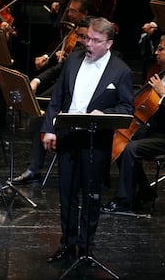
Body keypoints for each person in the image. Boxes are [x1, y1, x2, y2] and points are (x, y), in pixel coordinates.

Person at [41, 17, 134, 262]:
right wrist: (50, 128)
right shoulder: (73, 59)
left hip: (96, 140)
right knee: (66, 193)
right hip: (69, 134)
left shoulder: (121, 70)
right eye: (87, 38)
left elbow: (126, 108)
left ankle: (86, 247)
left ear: (109, 44)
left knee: (91, 195)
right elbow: (58, 96)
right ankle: (67, 244)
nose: (88, 44)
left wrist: (105, 113)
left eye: (95, 40)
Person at [12, 17, 91, 185]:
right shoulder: (77, 54)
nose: (79, 41)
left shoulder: (110, 60)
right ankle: (33, 169)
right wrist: (37, 80)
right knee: (40, 119)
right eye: (79, 36)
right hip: (67, 102)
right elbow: (58, 70)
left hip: (87, 112)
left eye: (83, 37)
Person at [102, 35, 165, 213]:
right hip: (154, 130)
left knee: (130, 149)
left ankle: (123, 202)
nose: (156, 52)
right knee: (120, 142)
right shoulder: (159, 72)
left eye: (161, 49)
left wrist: (163, 95)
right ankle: (145, 190)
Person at [35, 0, 90, 71]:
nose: (69, 14)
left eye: (73, 11)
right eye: (69, 10)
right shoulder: (73, 29)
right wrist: (46, 56)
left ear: (85, 14)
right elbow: (63, 52)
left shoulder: (89, 36)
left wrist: (65, 58)